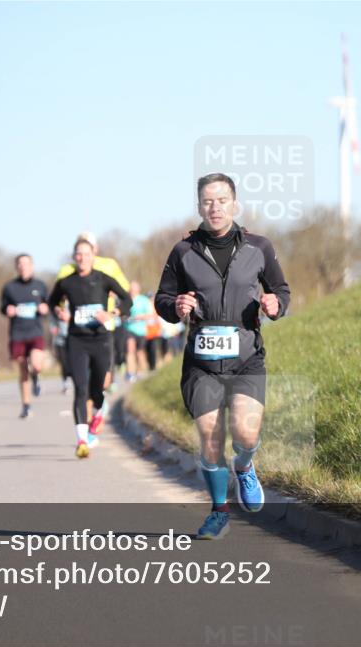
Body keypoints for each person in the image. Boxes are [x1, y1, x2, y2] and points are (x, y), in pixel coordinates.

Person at [155, 173, 290, 539]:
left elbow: (281, 290)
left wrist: (275, 305)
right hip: (201, 364)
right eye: (207, 202)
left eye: (222, 200)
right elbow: (162, 299)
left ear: (235, 204)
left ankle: (244, 466)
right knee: (210, 436)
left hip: (247, 358)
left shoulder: (259, 247)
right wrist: (175, 305)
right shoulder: (183, 251)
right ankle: (219, 512)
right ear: (200, 207)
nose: (215, 207)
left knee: (245, 432)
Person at [49, 238, 131, 459]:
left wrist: (112, 313)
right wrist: (59, 312)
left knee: (97, 389)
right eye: (79, 254)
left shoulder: (103, 279)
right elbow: (52, 301)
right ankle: (82, 441)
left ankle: (97, 414)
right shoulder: (66, 282)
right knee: (80, 388)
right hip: (77, 340)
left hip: (100, 339)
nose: (82, 258)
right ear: (74, 256)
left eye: (86, 254)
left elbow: (127, 299)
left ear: (93, 256)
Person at [56, 232, 130, 394]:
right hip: (77, 328)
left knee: (103, 372)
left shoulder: (109, 264)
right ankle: (91, 401)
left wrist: (112, 299)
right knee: (83, 377)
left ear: (95, 248)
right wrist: (60, 311)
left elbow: (124, 288)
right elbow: (57, 297)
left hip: (104, 324)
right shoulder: (67, 270)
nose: (83, 256)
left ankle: (100, 395)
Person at [0, 254, 49, 419]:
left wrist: (45, 308)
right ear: (16, 267)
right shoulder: (9, 287)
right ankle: (26, 405)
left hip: (35, 331)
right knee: (22, 370)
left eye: (26, 264)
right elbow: (3, 307)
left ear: (32, 266)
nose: (23, 267)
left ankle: (36, 376)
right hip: (18, 333)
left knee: (36, 364)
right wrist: (8, 310)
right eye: (20, 264)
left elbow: (50, 304)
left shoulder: (40, 285)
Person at [124, 281, 156, 382]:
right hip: (129, 329)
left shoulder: (144, 300)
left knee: (140, 352)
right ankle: (130, 373)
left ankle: (140, 371)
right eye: (130, 288)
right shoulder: (126, 299)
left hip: (141, 330)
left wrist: (140, 317)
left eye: (133, 288)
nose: (131, 290)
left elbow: (151, 314)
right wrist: (123, 316)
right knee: (130, 349)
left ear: (138, 289)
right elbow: (121, 312)